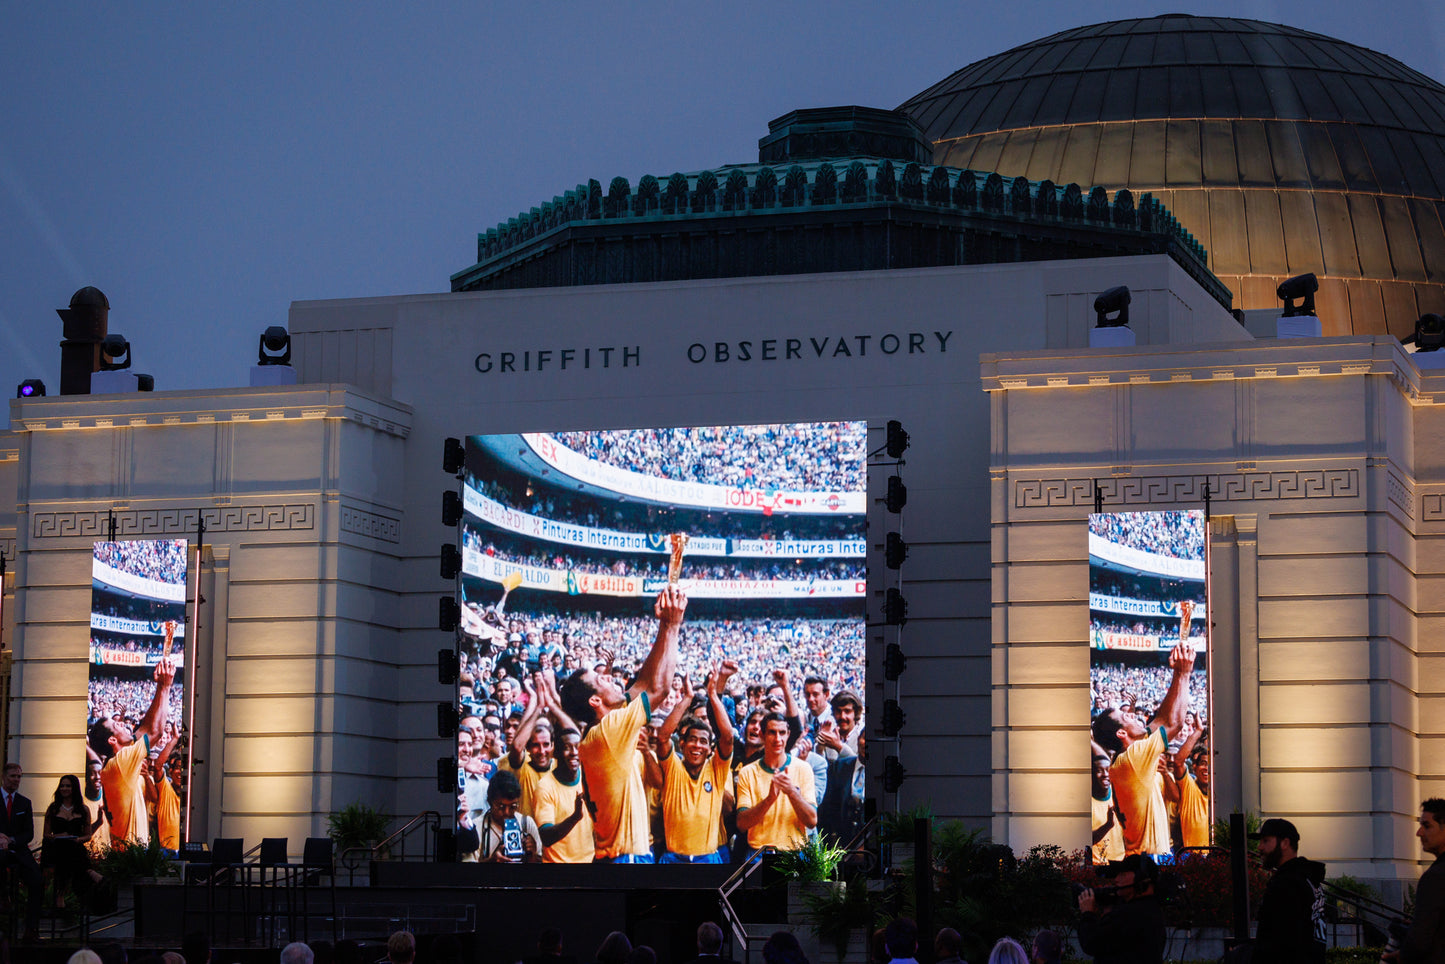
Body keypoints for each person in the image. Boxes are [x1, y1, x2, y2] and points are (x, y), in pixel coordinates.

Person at [559, 586, 687, 862]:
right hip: (626, 857)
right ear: (595, 701)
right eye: (601, 679)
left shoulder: (599, 731)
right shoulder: (609, 731)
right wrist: (674, 626)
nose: (611, 678)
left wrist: (663, 625)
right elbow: (660, 688)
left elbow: (642, 683)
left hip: (616, 855)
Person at [1090, 639, 1195, 856]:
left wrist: (1176, 674)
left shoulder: (1126, 760)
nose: (1134, 715)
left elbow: (1160, 721)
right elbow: (1173, 723)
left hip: (1144, 857)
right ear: (1121, 734)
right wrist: (1184, 674)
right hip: (1149, 860)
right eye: (1126, 715)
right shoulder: (1132, 758)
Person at [88, 652, 177, 845]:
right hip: (131, 852)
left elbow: (145, 728)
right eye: (118, 726)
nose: (126, 726)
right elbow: (155, 732)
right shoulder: (120, 763)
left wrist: (160, 686)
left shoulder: (117, 763)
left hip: (127, 849)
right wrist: (166, 686)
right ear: (112, 740)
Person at [653, 662, 736, 863]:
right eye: (692, 739)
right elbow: (662, 737)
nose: (697, 745)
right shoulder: (673, 768)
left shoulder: (715, 770)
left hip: (707, 858)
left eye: (703, 741)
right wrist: (687, 698)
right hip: (673, 858)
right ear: (681, 743)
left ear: (709, 749)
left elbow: (727, 738)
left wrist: (713, 696)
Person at [735, 712, 817, 853]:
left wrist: (791, 792)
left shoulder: (803, 768)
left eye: (782, 732)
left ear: (788, 734)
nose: (777, 739)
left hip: (794, 853)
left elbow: (811, 821)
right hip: (758, 852)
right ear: (762, 735)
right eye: (772, 732)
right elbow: (742, 824)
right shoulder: (747, 772)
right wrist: (769, 799)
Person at [1251, 818, 1326, 964]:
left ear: (1285, 843)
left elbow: (1278, 942)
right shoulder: (1310, 880)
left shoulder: (1286, 884)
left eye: (1266, 841)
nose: (1259, 847)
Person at [1384, 797, 1445, 963]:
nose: (1419, 833)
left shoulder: (1435, 877)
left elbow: (1419, 942)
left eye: (1427, 826)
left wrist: (1401, 955)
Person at [1076, 852, 1166, 963]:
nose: (1116, 879)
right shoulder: (1151, 908)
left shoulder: (1130, 914)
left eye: (1122, 875)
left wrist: (1087, 914)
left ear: (1141, 878)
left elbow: (1091, 943)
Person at [532, 729, 594, 862]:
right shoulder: (544, 787)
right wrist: (575, 817)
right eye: (567, 748)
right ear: (556, 753)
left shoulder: (589, 776)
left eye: (577, 747)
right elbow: (546, 837)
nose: (574, 752)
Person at [43, 773, 104, 908]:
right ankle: (89, 872)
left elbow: (87, 835)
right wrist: (59, 836)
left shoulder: (83, 809)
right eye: (62, 786)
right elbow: (46, 834)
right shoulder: (53, 809)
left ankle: (61, 896)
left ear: (74, 788)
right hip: (57, 848)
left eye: (68, 786)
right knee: (67, 851)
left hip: (75, 846)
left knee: (73, 849)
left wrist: (77, 839)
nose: (64, 788)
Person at [457, 769, 541, 862]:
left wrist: (532, 855)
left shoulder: (526, 824)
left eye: (513, 806)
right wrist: (492, 862)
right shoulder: (476, 828)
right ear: (490, 802)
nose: (506, 812)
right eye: (501, 807)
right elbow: (467, 872)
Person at [0, 762, 42, 939]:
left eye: (19, 776)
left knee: (37, 880)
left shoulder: (24, 803)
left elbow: (29, 833)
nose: (16, 780)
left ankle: (31, 928)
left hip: (18, 851)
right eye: (13, 776)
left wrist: (11, 840)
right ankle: (4, 898)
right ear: (4, 778)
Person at [1089, 742, 1124, 865]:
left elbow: (1104, 760)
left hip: (1120, 860)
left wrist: (1090, 740)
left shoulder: (1116, 792)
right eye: (1099, 771)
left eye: (1107, 770)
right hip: (1099, 865)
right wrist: (1108, 825)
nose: (1105, 774)